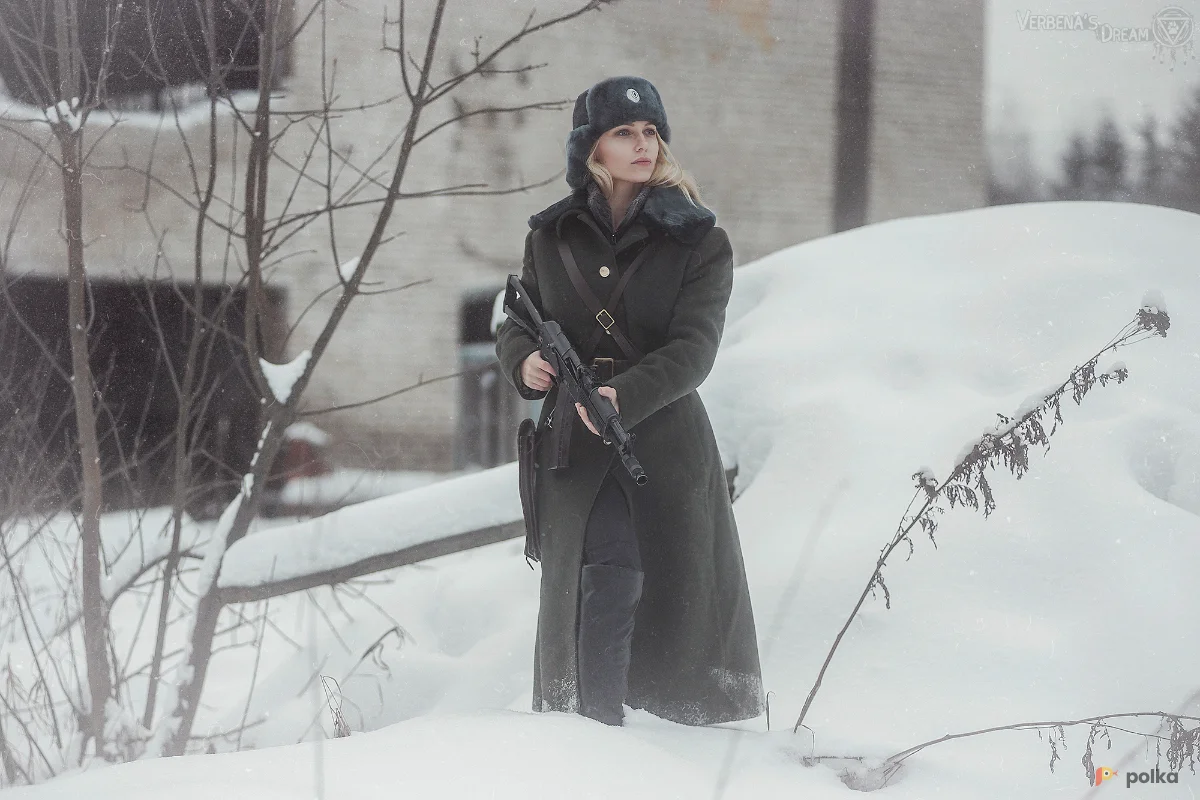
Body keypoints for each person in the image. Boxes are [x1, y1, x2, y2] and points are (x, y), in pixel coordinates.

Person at [495, 75, 763, 727]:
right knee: (604, 575)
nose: (642, 144)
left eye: (650, 132)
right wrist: (521, 361)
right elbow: (517, 321)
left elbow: (695, 349)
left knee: (670, 597)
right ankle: (595, 728)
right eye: (624, 132)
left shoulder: (700, 242)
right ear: (592, 148)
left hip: (664, 444)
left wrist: (624, 393)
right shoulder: (550, 238)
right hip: (574, 449)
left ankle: (659, 737)